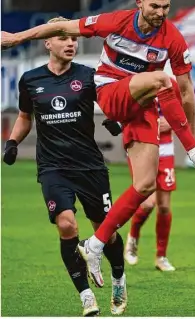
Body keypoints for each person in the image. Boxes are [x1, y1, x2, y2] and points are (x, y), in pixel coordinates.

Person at [1, 0, 195, 288]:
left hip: (142, 103)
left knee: (146, 185)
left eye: (166, 7)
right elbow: (62, 26)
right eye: (155, 6)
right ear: (139, 3)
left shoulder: (172, 37)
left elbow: (187, 93)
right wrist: (16, 38)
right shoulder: (116, 22)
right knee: (164, 80)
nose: (161, 13)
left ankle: (94, 245)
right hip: (111, 93)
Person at [2, 17, 127, 317]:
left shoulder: (88, 76)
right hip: (53, 167)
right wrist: (12, 141)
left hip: (90, 167)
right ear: (48, 42)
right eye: (62, 37)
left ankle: (119, 278)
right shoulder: (30, 80)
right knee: (67, 224)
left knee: (105, 232)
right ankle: (85, 296)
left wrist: (114, 119)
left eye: (72, 38)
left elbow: (109, 104)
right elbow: (24, 116)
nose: (71, 42)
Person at [103, 79, 180, 271]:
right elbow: (124, 110)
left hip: (166, 151)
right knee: (147, 202)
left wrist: (170, 122)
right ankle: (133, 238)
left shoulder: (170, 83)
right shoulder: (135, 82)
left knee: (164, 207)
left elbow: (182, 110)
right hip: (142, 148)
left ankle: (161, 257)